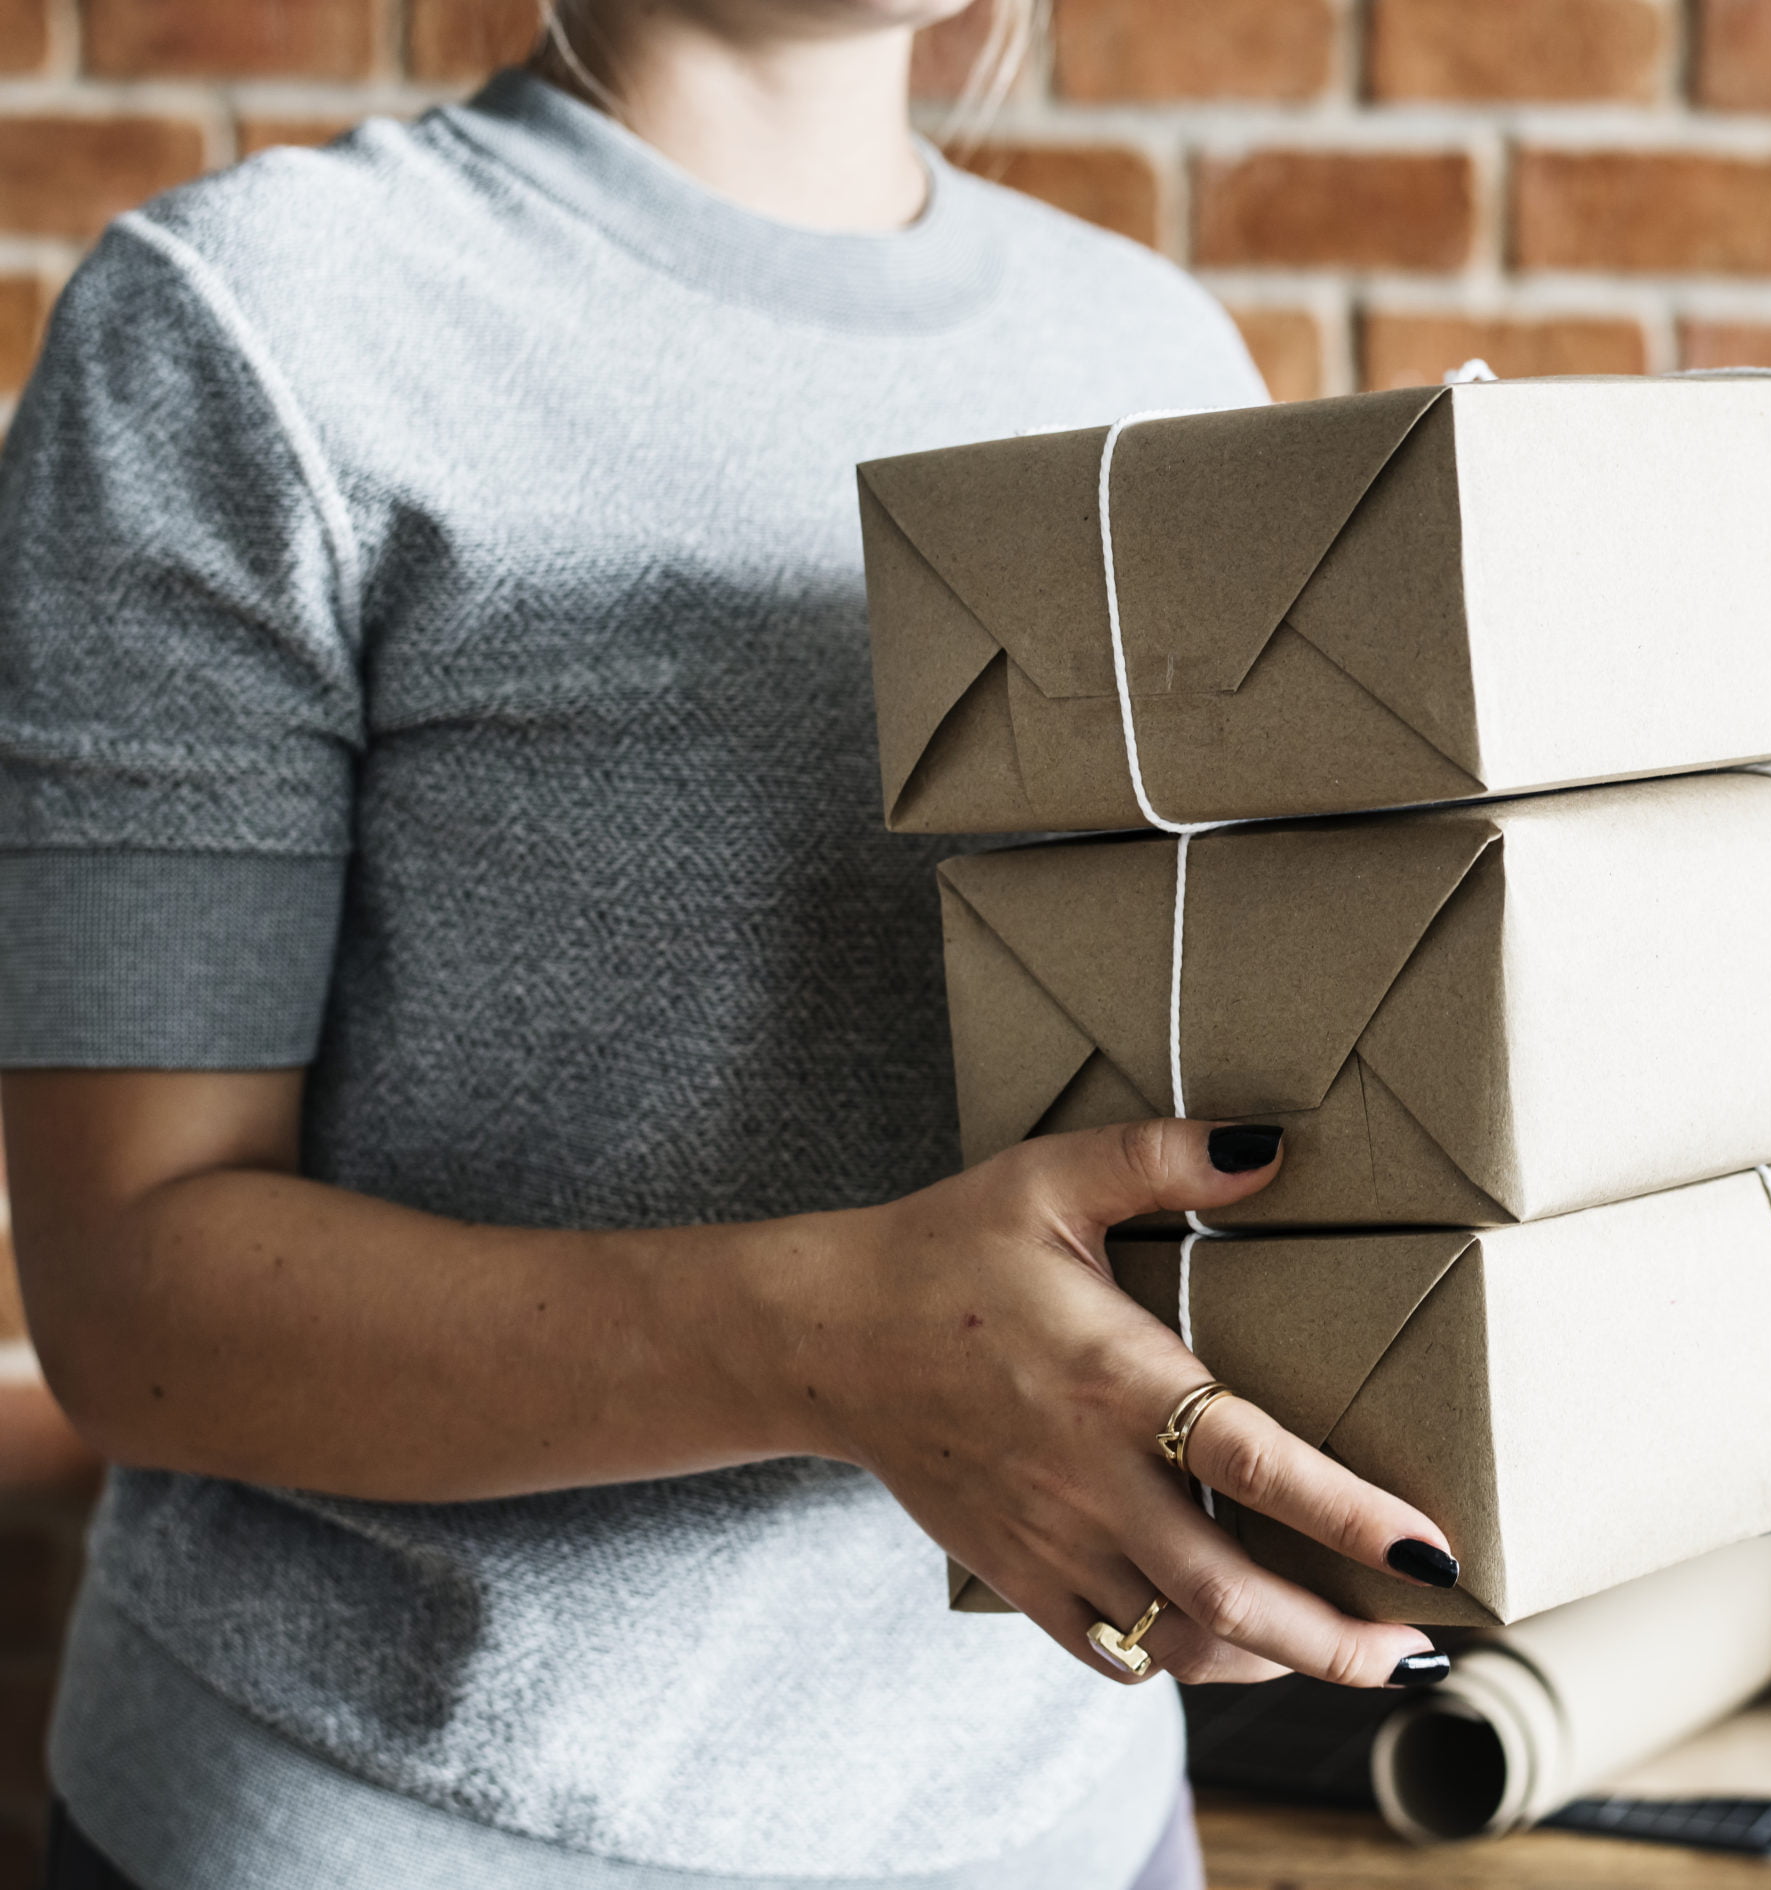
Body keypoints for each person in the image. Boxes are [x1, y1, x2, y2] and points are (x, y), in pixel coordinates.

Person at [0, 3, 1467, 1885]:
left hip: (1063, 1827)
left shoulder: (1152, 355)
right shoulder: (247, 322)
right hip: (398, 1829)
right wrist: (834, 1340)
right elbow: (126, 1306)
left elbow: (1237, 1114)